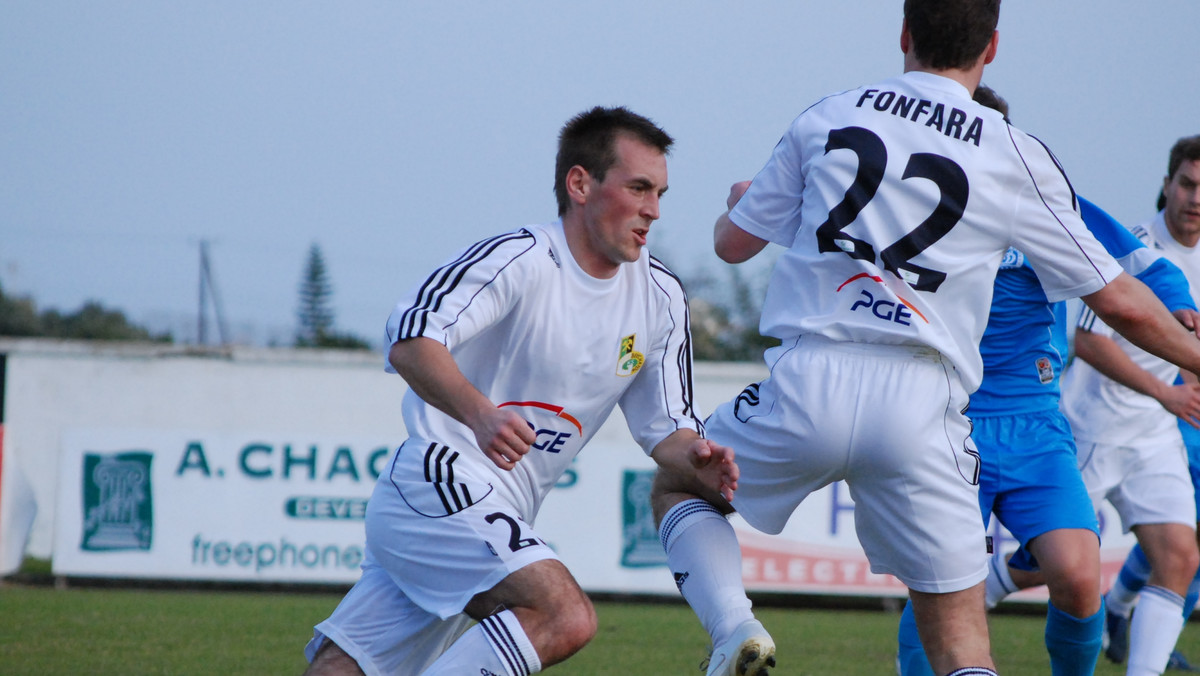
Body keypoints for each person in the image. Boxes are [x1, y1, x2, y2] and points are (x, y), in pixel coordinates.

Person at [650, 2, 1200, 674]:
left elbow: (733, 245)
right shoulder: (1012, 151)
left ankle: (735, 628)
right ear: (992, 46)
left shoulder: (830, 115)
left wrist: (743, 203)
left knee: (678, 483)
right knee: (961, 639)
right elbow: (1121, 304)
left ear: (905, 34)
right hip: (923, 401)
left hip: (810, 378)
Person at [302, 106, 738, 676]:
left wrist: (697, 459)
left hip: (500, 509)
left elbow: (667, 428)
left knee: (347, 667)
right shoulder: (521, 259)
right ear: (580, 184)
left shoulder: (659, 297)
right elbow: (410, 339)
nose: (653, 210)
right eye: (637, 188)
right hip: (439, 481)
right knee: (563, 615)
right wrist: (481, 414)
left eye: (659, 192)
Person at [896, 90, 1200, 676]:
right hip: (948, 422)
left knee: (1079, 574)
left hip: (1035, 422)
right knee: (939, 588)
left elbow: (1142, 264)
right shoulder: (910, 206)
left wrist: (1179, 304)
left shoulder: (1043, 200)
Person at [1061, 134, 1200, 676]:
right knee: (1049, 567)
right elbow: (1088, 341)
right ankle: (977, 597)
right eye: (1187, 184)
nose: (1195, 198)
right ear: (1166, 185)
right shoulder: (1135, 250)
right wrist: (1166, 392)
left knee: (1180, 556)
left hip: (1152, 436)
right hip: (1091, 428)